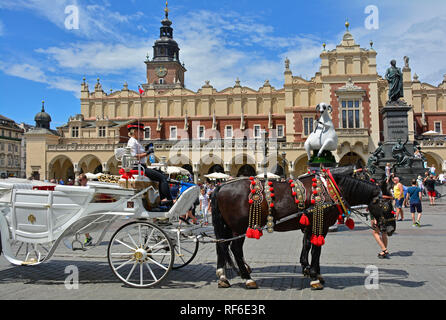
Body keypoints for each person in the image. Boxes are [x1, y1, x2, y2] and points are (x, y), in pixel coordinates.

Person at [126, 122, 173, 203]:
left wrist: (147, 150)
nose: (142, 134)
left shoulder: (136, 141)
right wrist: (147, 153)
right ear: (135, 132)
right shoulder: (132, 141)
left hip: (142, 167)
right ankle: (165, 199)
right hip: (139, 167)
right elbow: (134, 156)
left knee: (162, 174)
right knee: (162, 178)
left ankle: (164, 198)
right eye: (140, 132)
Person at [77, 173, 93, 246]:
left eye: (81, 180)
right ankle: (88, 237)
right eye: (79, 180)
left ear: (85, 180)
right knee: (82, 225)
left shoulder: (89, 188)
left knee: (84, 225)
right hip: (81, 209)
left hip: (87, 209)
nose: (80, 181)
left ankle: (88, 238)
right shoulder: (79, 188)